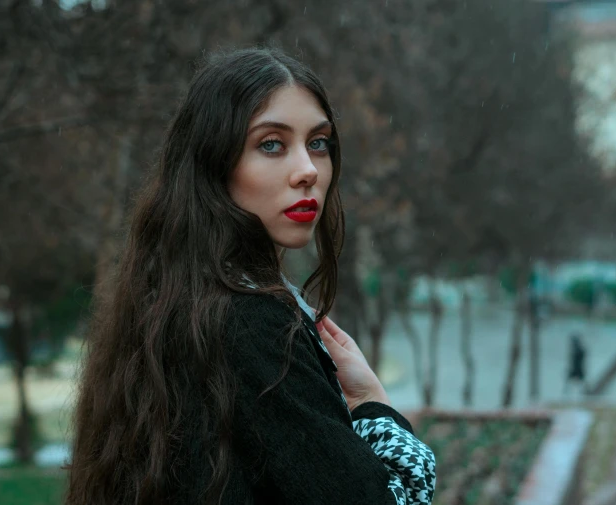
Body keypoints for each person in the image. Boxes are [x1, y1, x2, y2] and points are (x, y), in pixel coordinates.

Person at [65, 47, 435, 505]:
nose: (306, 171)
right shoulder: (251, 321)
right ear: (213, 165)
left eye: (318, 143)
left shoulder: (171, 300)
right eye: (271, 144)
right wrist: (375, 407)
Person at [564, 332, 588, 398]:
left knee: (579, 389)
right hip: (576, 370)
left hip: (578, 371)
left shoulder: (579, 351)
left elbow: (578, 362)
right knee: (571, 389)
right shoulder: (577, 350)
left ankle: (583, 397)